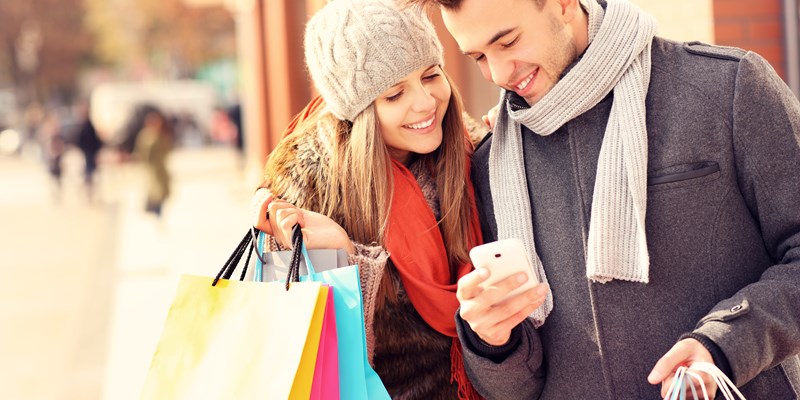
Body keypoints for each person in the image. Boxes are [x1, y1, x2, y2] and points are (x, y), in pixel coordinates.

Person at [402, 0, 800, 398]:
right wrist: (492, 341)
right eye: (478, 58)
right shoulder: (491, 164)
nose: (498, 74)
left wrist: (725, 345)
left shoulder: (727, 88)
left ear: (562, 5)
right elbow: (514, 391)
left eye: (508, 42)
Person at [251, 0, 495, 397]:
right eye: (395, 94)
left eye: (431, 76)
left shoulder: (476, 156)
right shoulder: (306, 190)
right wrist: (343, 256)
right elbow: (308, 357)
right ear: (358, 111)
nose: (425, 102)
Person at [134, 109, 173, 217]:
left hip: (160, 167)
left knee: (161, 190)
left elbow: (167, 149)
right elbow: (142, 152)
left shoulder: (160, 134)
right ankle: (153, 211)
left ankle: (156, 211)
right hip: (152, 168)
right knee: (155, 190)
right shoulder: (146, 136)